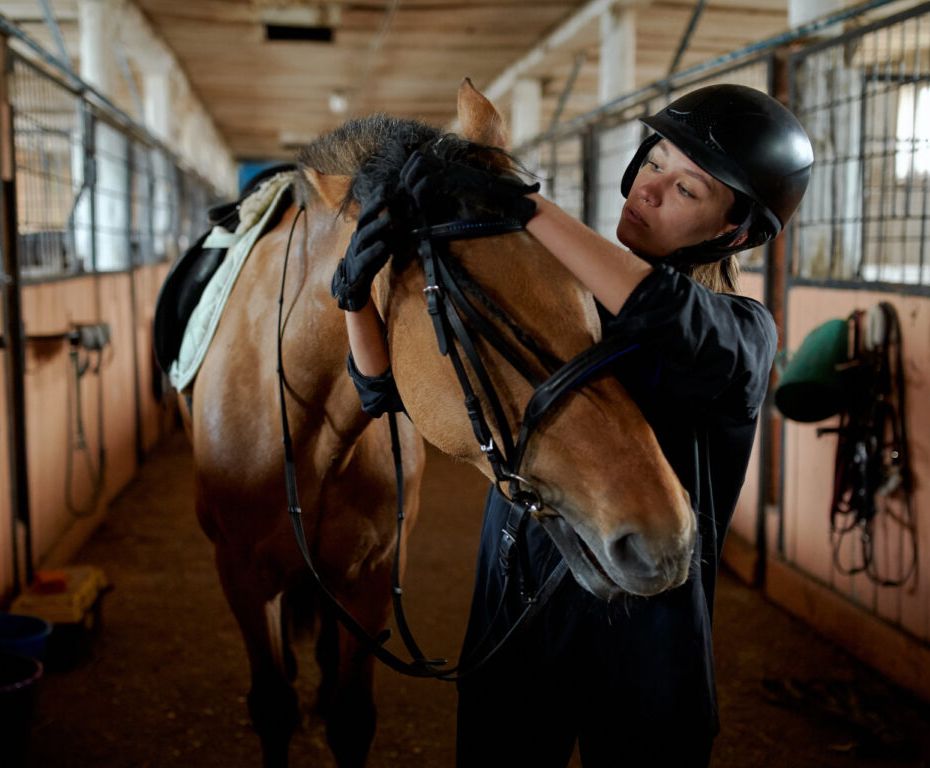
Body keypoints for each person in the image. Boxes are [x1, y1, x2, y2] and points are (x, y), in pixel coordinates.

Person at [330, 84, 813, 766]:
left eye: (687, 190)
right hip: (518, 608)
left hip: (646, 634)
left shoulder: (739, 334)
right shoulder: (564, 295)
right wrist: (355, 299)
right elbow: (390, 396)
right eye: (654, 163)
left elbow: (660, 309)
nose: (649, 189)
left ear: (733, 231)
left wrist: (522, 203)